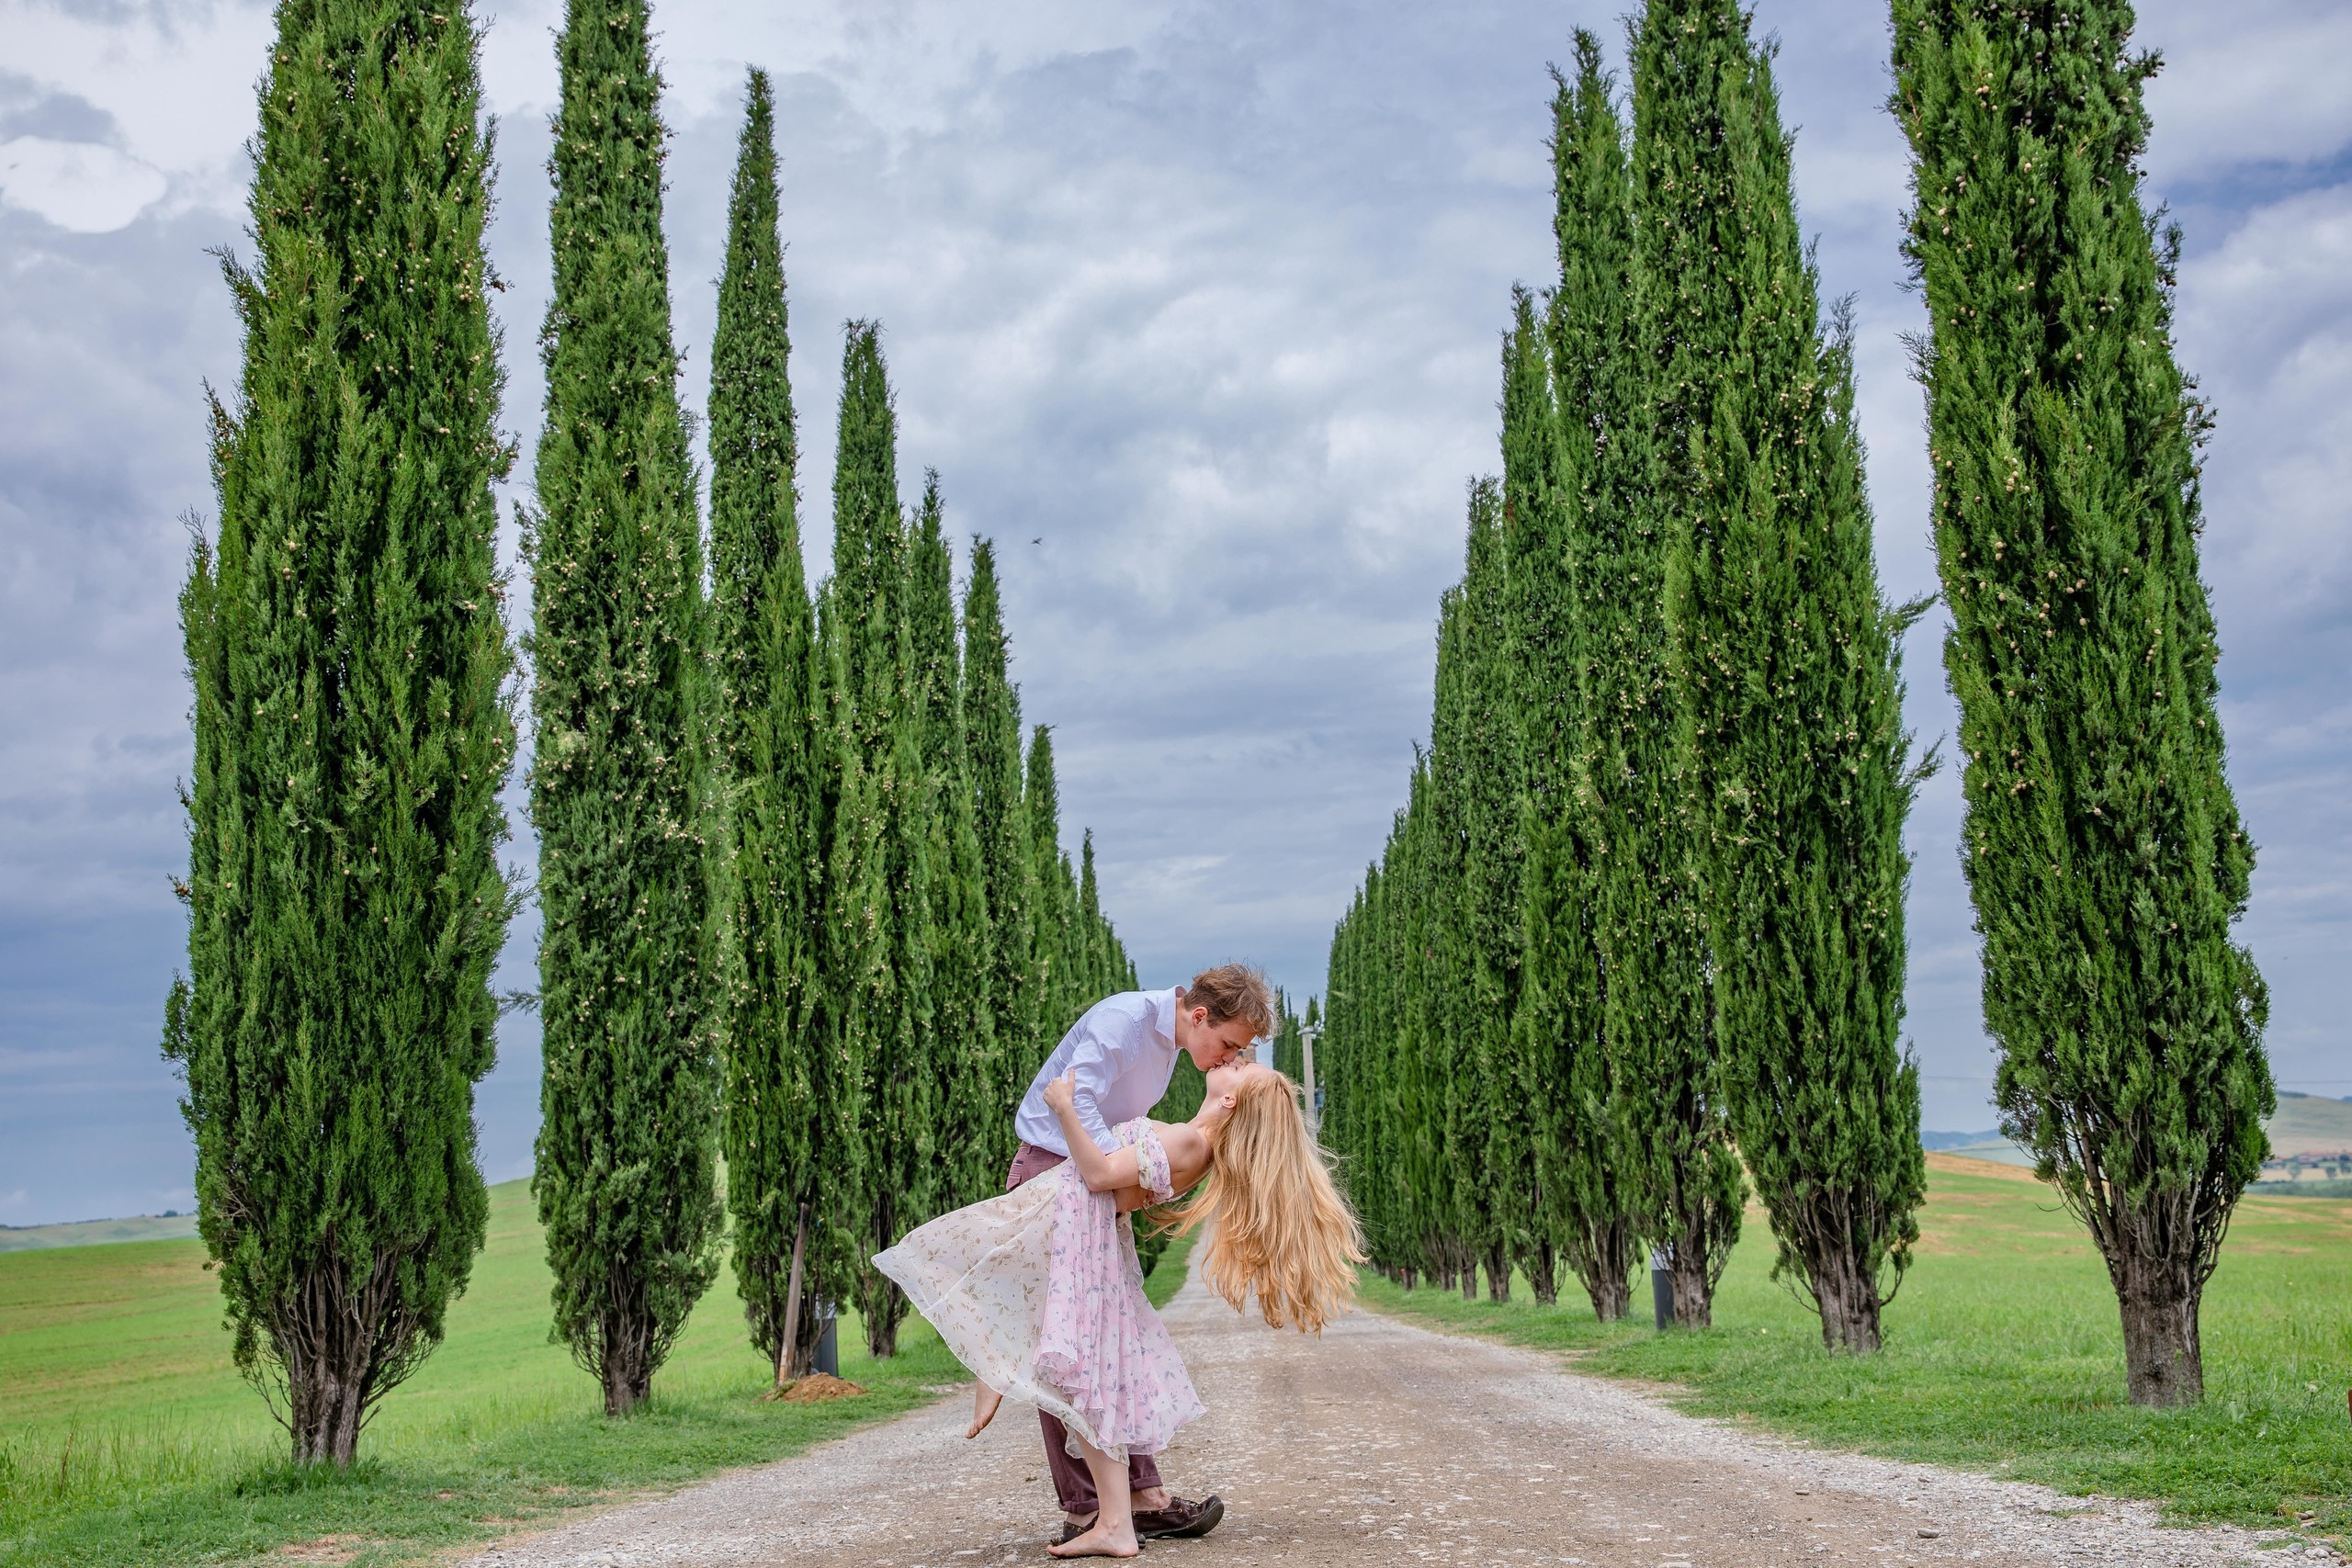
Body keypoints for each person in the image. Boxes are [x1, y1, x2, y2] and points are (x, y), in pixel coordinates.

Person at [874, 972, 1366, 1560]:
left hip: (1089, 1188)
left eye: (1236, 1059)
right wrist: (1123, 1166)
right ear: (1201, 1015)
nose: (1229, 1058)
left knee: (1089, 1347)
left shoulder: (1172, 1072)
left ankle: (1130, 1498)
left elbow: (1122, 1166)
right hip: (1054, 1172)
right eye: (1231, 1046)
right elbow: (1075, 1100)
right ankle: (1089, 1504)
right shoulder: (1125, 1024)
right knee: (1067, 1339)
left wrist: (1129, 1175)